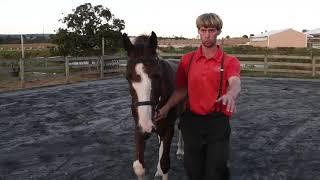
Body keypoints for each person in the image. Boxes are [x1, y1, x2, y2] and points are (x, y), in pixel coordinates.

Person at [155, 13, 241, 180]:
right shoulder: (187, 60)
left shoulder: (229, 61)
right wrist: (165, 108)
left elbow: (235, 81)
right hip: (191, 123)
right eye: (203, 30)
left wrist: (231, 94)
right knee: (194, 171)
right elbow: (181, 90)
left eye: (211, 30)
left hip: (218, 123)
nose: (207, 34)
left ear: (218, 32)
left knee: (216, 169)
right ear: (198, 31)